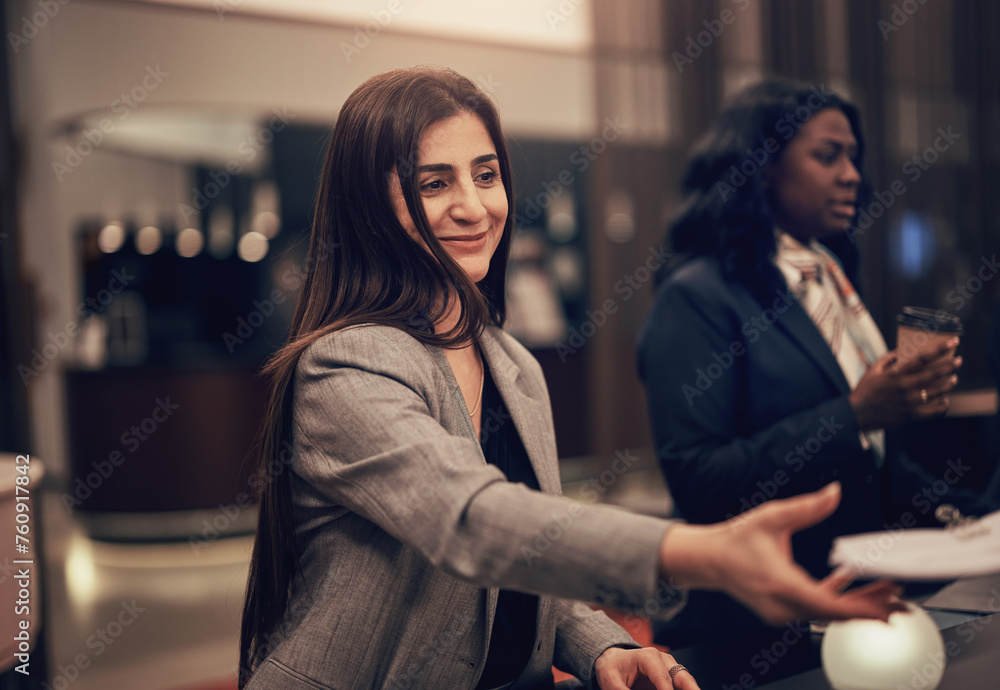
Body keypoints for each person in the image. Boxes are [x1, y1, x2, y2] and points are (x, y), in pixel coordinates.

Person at [238, 68, 902, 690]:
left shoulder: (512, 364)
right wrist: (696, 552)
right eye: (434, 183)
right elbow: (471, 521)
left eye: (487, 175)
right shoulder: (348, 363)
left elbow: (527, 553)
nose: (474, 207)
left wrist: (599, 644)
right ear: (369, 206)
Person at [637, 78, 997, 649]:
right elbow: (702, 481)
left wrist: (974, 522)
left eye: (853, 157)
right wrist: (854, 413)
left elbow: (872, 467)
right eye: (828, 156)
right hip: (750, 629)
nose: (851, 174)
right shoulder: (698, 296)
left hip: (853, 607)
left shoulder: (826, 278)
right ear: (761, 168)